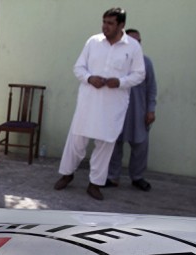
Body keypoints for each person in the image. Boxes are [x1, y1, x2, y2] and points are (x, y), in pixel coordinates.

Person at [54, 8, 145, 201]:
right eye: (104, 22)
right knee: (77, 141)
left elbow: (139, 74)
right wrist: (89, 78)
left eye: (110, 23)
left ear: (121, 25)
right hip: (88, 101)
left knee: (105, 145)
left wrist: (119, 82)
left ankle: (95, 184)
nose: (105, 26)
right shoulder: (93, 42)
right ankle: (67, 174)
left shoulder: (133, 47)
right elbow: (78, 68)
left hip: (113, 105)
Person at [105, 29, 157, 191]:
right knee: (114, 144)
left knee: (140, 145)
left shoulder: (146, 63)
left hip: (138, 112)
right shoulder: (115, 61)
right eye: (133, 41)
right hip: (117, 111)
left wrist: (151, 110)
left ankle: (137, 177)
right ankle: (112, 177)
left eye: (139, 41)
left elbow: (152, 89)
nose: (137, 45)